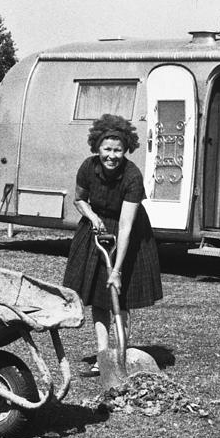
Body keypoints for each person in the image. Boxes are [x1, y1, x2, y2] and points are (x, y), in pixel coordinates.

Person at [63, 114, 162, 375]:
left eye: (118, 150)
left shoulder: (132, 176)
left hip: (128, 234)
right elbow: (79, 200)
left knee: (122, 297)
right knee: (98, 299)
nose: (112, 155)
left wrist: (116, 270)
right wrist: (93, 217)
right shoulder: (87, 167)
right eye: (107, 149)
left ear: (126, 149)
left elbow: (126, 226)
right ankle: (103, 355)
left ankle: (122, 353)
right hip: (97, 229)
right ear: (97, 148)